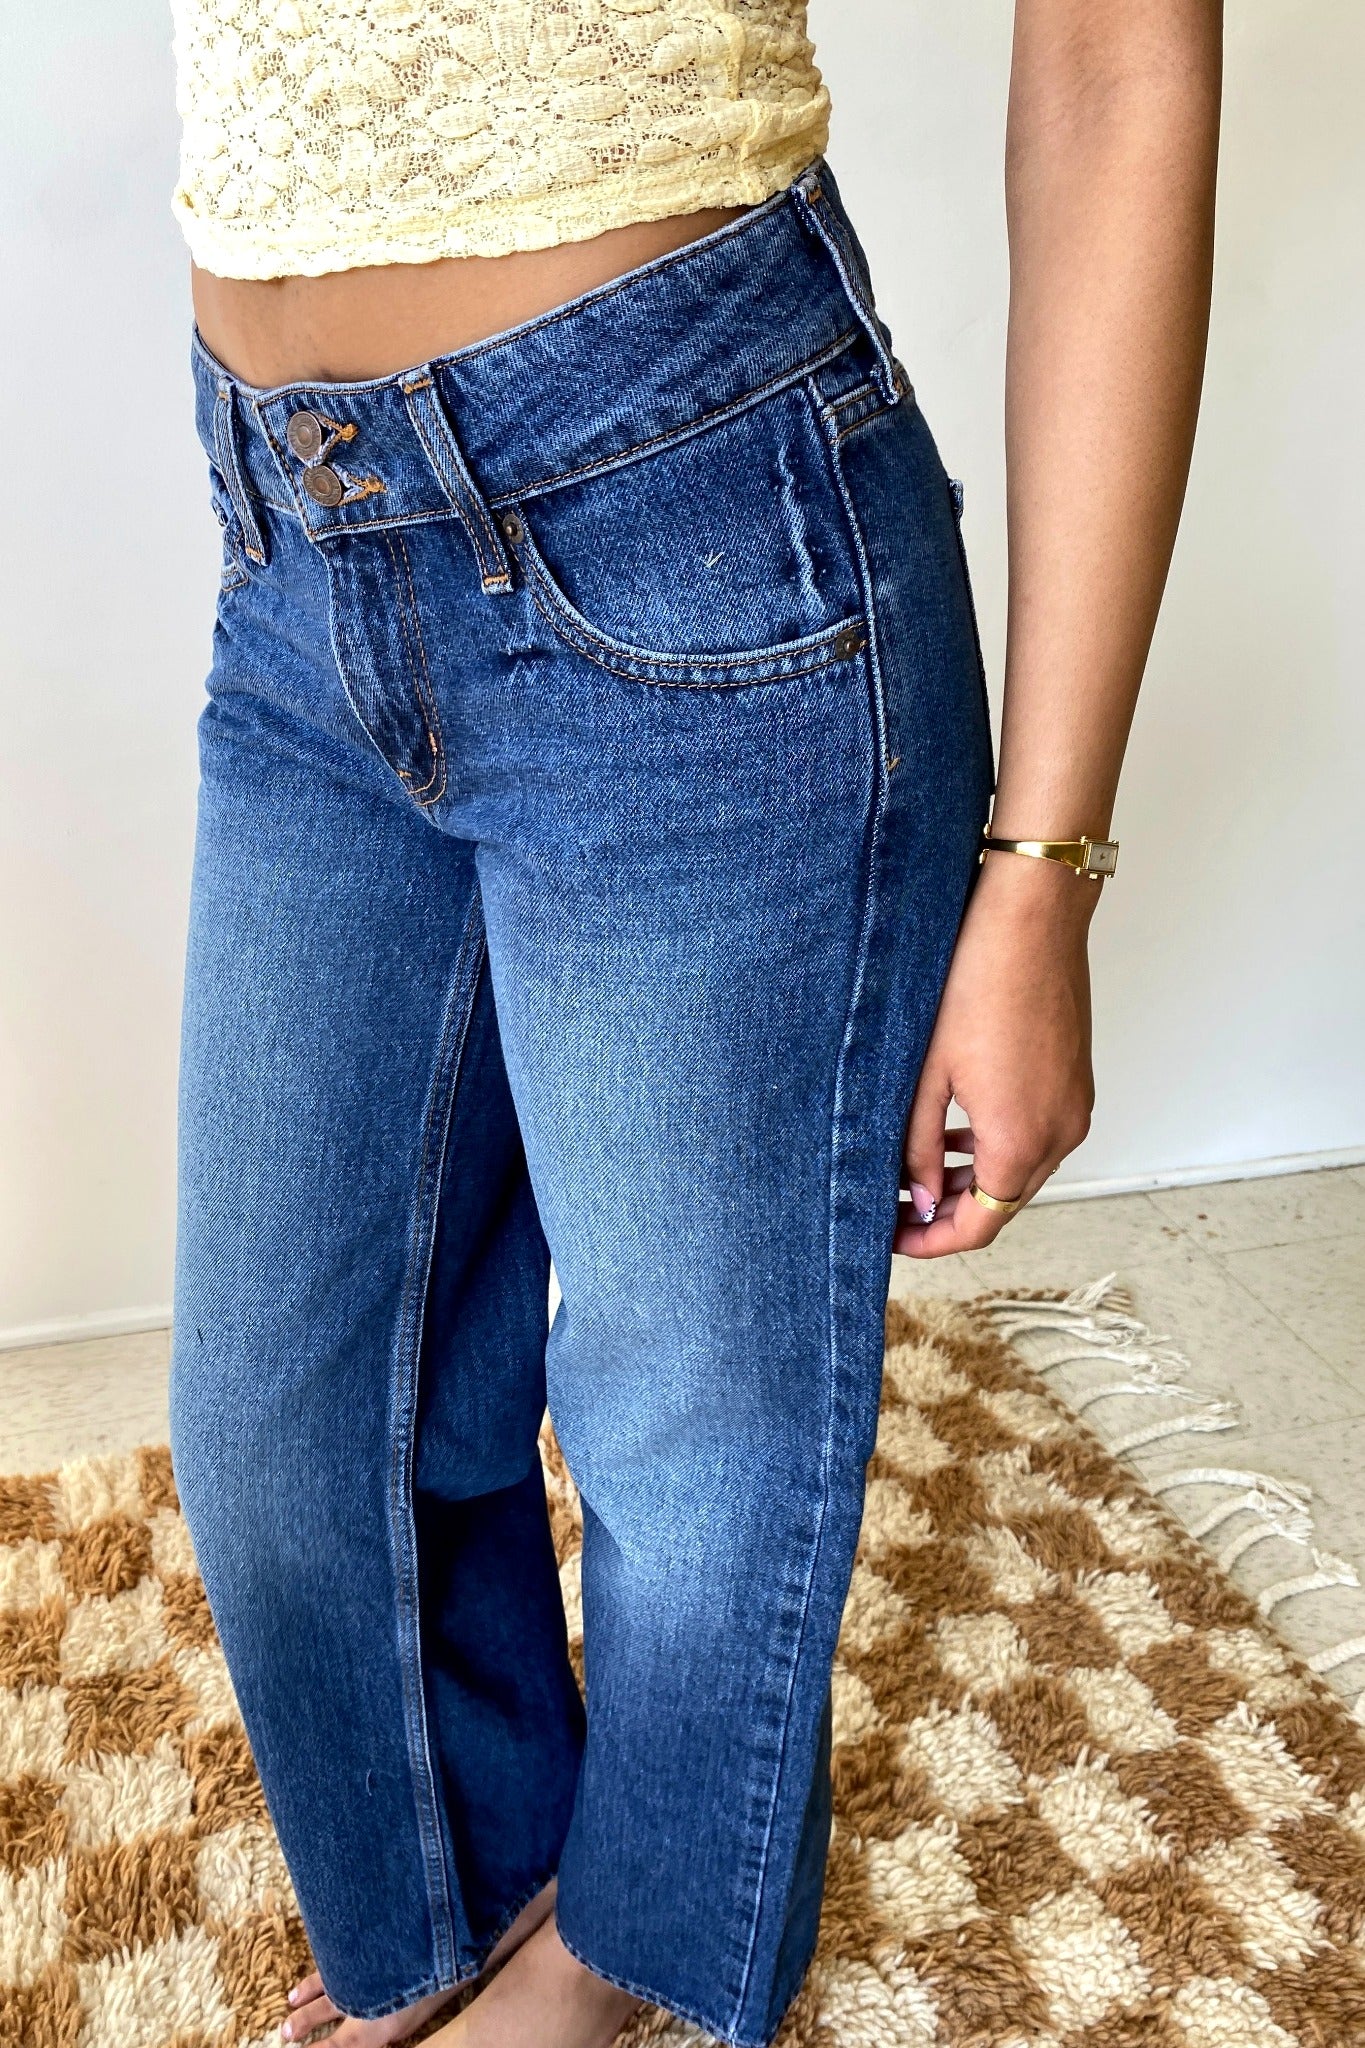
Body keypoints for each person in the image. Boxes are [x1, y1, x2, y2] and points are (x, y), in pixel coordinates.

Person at [166, 4, 1223, 2045]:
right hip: (292, 546)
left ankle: (614, 1960)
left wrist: (1043, 864)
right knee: (293, 1422)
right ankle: (463, 1900)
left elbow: (1113, 59)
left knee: (698, 1430)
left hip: (691, 527)